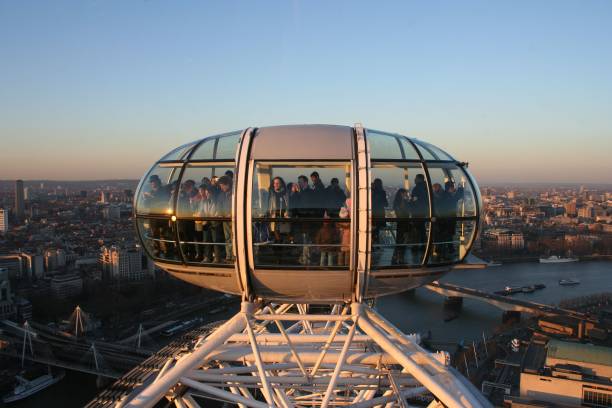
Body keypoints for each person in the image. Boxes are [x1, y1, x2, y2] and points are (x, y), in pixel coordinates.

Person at [193, 184, 220, 263]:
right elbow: (203, 211)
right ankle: (207, 257)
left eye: (208, 193)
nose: (206, 194)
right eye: (206, 193)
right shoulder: (204, 201)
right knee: (206, 240)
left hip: (214, 223)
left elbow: (217, 212)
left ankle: (217, 258)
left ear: (212, 193)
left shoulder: (216, 201)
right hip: (206, 223)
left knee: (215, 241)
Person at [267, 177, 289, 263]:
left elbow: (288, 205)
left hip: (283, 219)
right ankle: (278, 257)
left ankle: (280, 257)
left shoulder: (285, 193)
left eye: (277, 183)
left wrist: (287, 214)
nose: (276, 185)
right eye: (274, 183)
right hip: (274, 219)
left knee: (282, 238)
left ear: (281, 184)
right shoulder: (271, 193)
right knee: (276, 238)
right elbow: (269, 206)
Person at [408, 174, 428, 262]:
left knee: (416, 230)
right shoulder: (425, 188)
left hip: (417, 213)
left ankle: (415, 246)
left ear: (419, 179)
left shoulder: (417, 189)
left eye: (415, 178)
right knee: (422, 229)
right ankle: (424, 246)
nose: (414, 180)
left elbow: (414, 201)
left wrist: (410, 205)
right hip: (423, 212)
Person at [215, 176, 233, 262]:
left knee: (234, 237)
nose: (221, 188)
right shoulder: (221, 195)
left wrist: (232, 213)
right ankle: (229, 256)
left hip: (234, 220)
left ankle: (234, 255)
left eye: (222, 185)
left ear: (228, 185)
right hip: (225, 220)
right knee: (228, 237)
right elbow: (219, 207)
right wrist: (220, 214)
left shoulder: (235, 194)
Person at [392, 188, 410, 264]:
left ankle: (396, 257)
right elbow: (405, 212)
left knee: (400, 240)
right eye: (405, 193)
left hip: (401, 223)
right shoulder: (403, 202)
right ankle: (400, 258)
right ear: (401, 194)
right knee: (402, 240)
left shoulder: (397, 202)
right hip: (403, 222)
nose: (406, 195)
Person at [371, 178, 388, 246]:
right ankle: (376, 244)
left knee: (372, 230)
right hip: (380, 213)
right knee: (377, 230)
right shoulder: (382, 192)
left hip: (372, 213)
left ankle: (372, 244)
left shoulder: (371, 192)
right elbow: (386, 204)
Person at [337, 198, 351, 266]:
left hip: (342, 242)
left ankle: (340, 266)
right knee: (347, 255)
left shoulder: (340, 223)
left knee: (341, 254)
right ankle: (346, 266)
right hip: (348, 241)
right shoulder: (349, 223)